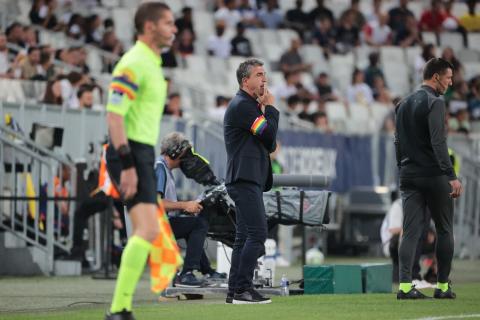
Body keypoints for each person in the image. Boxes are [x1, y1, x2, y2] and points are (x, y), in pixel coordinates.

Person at [104, 3, 177, 319]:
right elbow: (114, 116)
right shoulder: (133, 63)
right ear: (149, 26)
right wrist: (128, 164)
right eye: (168, 23)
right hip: (129, 152)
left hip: (141, 152)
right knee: (146, 230)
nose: (174, 29)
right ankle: (119, 309)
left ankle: (121, 309)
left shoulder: (152, 61)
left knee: (147, 231)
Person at [394, 57, 463, 300]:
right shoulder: (435, 102)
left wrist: (401, 168)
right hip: (434, 176)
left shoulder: (402, 104)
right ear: (435, 77)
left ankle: (404, 287)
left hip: (408, 174)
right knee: (445, 230)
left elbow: (397, 142)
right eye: (448, 77)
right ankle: (442, 287)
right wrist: (451, 176)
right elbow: (438, 141)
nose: (450, 82)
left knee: (410, 231)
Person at [223, 58, 279, 304]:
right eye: (259, 75)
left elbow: (270, 142)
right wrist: (272, 109)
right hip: (244, 178)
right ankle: (243, 290)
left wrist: (265, 113)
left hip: (247, 178)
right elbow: (269, 135)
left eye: (264, 74)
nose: (264, 79)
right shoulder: (243, 106)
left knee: (244, 236)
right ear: (246, 81)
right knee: (257, 234)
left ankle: (234, 289)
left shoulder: (249, 106)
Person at [155, 132, 227, 287]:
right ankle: (187, 274)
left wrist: (187, 208)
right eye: (184, 152)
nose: (187, 156)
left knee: (194, 222)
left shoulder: (164, 169)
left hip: (161, 222)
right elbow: (156, 204)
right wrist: (184, 205)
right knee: (197, 224)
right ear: (174, 153)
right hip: (156, 226)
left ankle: (206, 270)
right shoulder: (160, 169)